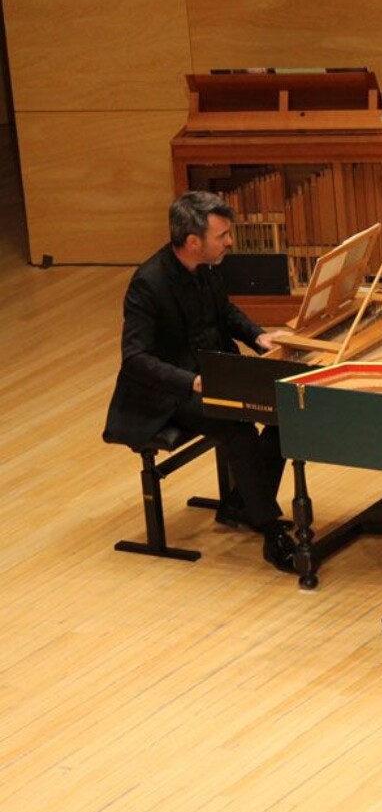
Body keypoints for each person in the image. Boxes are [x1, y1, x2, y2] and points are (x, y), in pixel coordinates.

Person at [103, 191, 294, 571]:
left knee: (283, 411)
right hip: (168, 393)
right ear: (193, 241)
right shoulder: (149, 283)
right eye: (222, 235)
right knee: (238, 427)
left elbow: (225, 312)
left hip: (212, 374)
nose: (230, 242)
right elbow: (135, 358)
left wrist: (258, 337)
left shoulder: (205, 267)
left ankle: (243, 503)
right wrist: (191, 382)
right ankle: (271, 532)